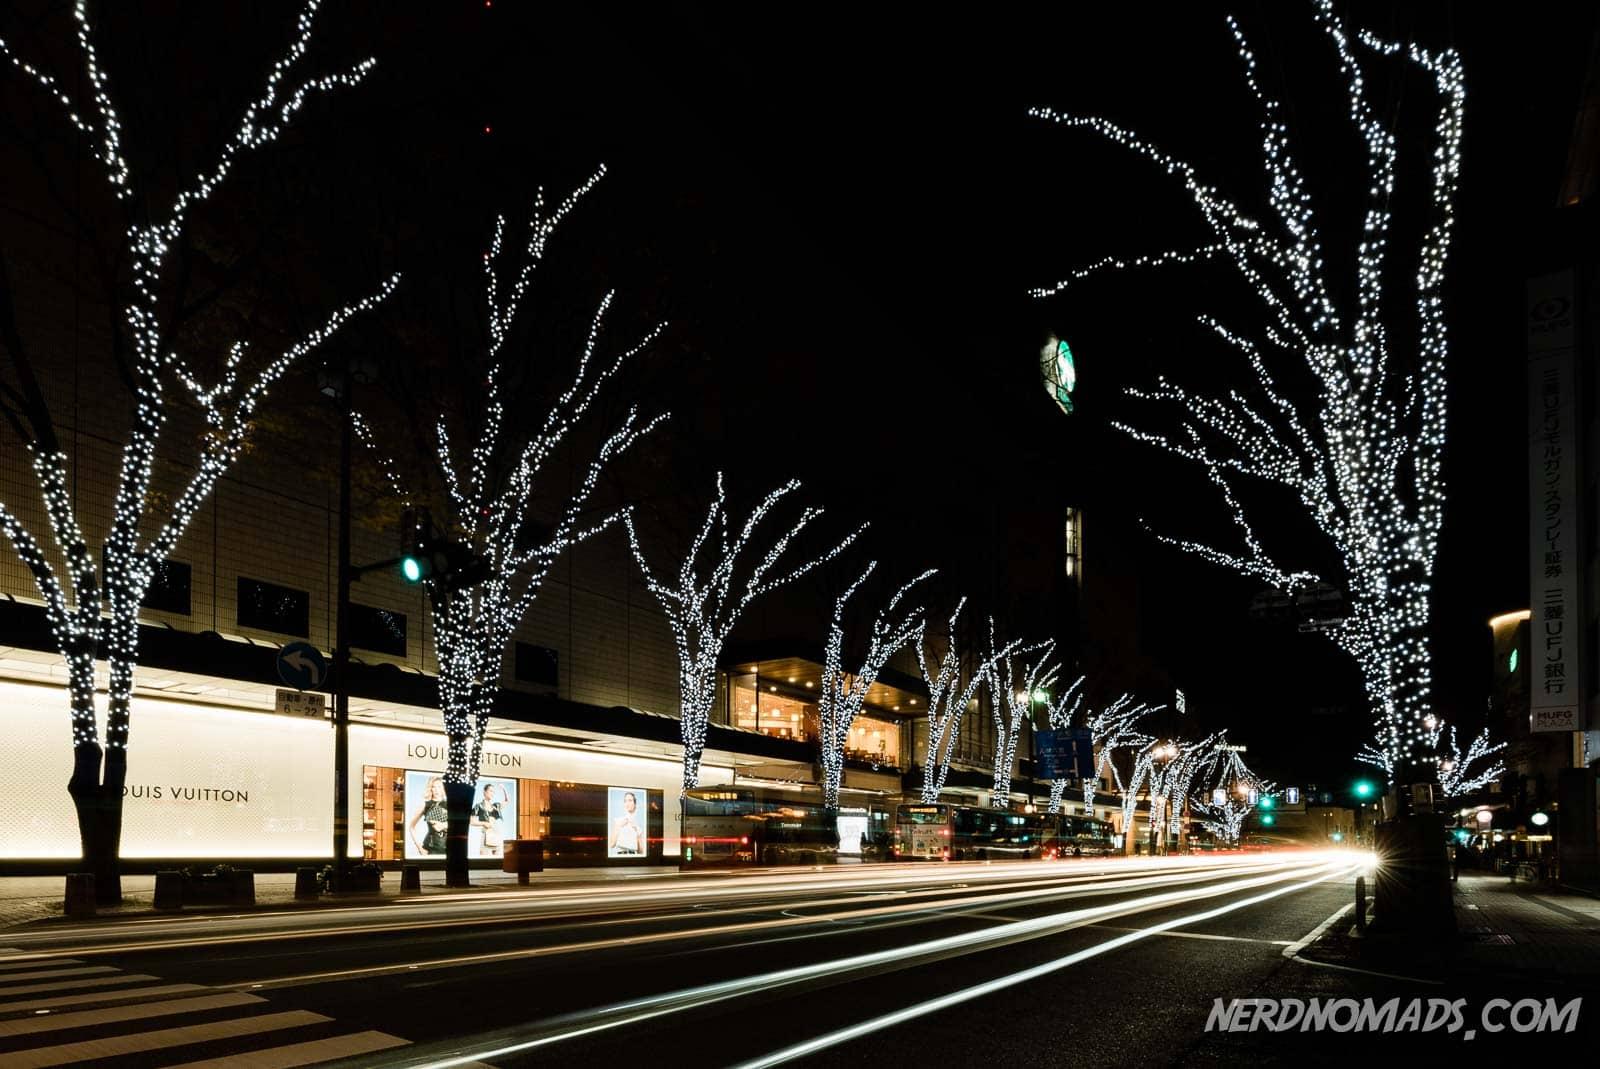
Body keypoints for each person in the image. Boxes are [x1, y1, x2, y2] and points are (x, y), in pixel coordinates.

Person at [409, 776, 449, 856]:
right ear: (430, 788)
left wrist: (444, 825)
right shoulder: (425, 805)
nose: (437, 790)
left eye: (439, 786)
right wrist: (420, 848)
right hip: (431, 849)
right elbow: (411, 827)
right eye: (434, 787)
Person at [472, 782, 506, 857]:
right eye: (490, 791)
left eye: (493, 791)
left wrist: (503, 789)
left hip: (496, 834)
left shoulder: (495, 806)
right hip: (486, 836)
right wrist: (484, 823)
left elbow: (506, 801)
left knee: (499, 861)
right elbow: (472, 821)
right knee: (485, 861)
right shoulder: (479, 806)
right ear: (485, 792)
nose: (492, 793)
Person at [610, 791, 644, 856]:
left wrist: (637, 832)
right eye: (625, 801)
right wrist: (618, 827)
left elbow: (641, 851)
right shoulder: (618, 821)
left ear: (635, 804)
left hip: (634, 857)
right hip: (620, 857)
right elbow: (611, 845)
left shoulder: (638, 827)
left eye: (630, 800)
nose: (627, 803)